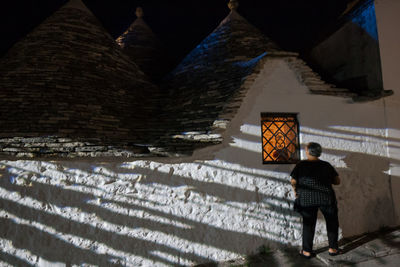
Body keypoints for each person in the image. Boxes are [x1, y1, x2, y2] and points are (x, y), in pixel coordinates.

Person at [290, 142, 341, 259]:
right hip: (326, 198)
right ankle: (333, 248)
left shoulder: (301, 165)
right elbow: (337, 181)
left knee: (309, 225)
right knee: (332, 222)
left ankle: (307, 251)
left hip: (307, 199)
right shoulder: (326, 165)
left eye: (306, 149)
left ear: (308, 151)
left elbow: (293, 181)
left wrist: (295, 191)